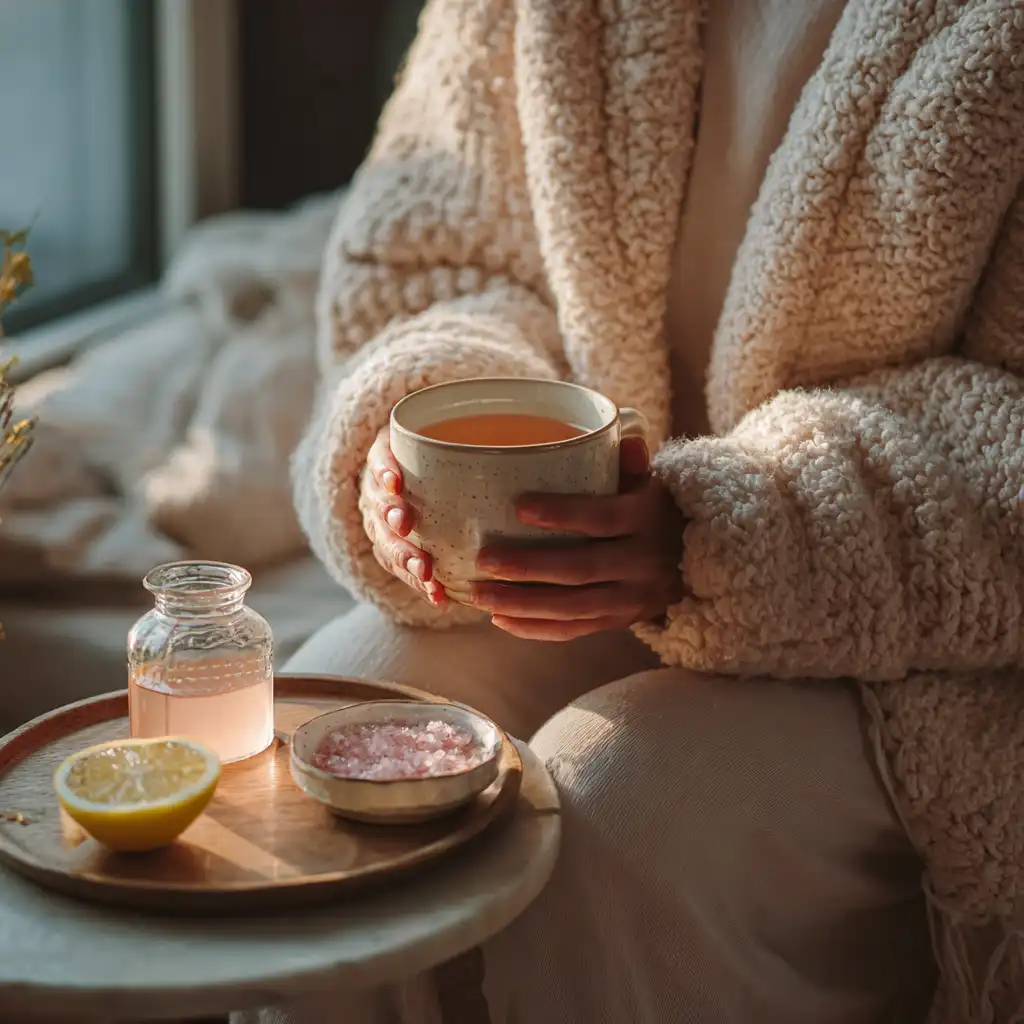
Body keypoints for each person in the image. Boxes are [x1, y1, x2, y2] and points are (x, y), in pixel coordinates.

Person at [241, 1, 1024, 1021]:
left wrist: (730, 530)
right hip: (586, 569)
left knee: (624, 804)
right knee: (331, 728)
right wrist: (425, 432)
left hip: (918, 648)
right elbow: (432, 257)